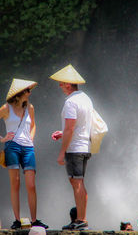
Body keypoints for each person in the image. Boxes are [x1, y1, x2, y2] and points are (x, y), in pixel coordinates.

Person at [0, 78, 48, 230]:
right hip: (12, 146)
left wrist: (31, 138)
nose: (29, 92)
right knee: (15, 183)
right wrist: (2, 138)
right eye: (27, 90)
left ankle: (34, 220)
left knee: (31, 185)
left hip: (28, 148)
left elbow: (33, 125)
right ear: (19, 94)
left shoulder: (30, 108)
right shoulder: (6, 108)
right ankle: (17, 220)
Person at [50, 64, 93, 230]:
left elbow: (70, 128)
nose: (60, 86)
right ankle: (80, 219)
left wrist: (62, 152)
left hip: (74, 148)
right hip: (84, 146)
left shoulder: (71, 102)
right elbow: (80, 125)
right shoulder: (86, 98)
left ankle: (81, 219)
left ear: (68, 84)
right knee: (79, 182)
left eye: (61, 83)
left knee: (77, 183)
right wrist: (63, 132)